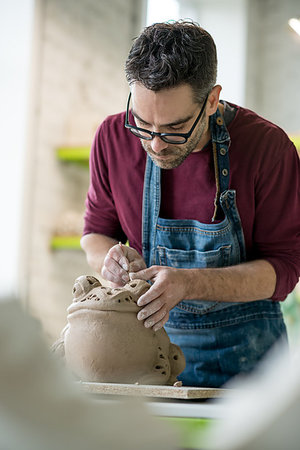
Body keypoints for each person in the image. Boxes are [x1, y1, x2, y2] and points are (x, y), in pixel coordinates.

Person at [81, 20, 300, 388]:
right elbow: (94, 234)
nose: (156, 145)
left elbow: (286, 268)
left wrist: (189, 282)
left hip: (247, 365)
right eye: (142, 124)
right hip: (148, 359)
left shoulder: (268, 149)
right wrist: (110, 261)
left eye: (174, 128)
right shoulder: (111, 138)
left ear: (212, 100)